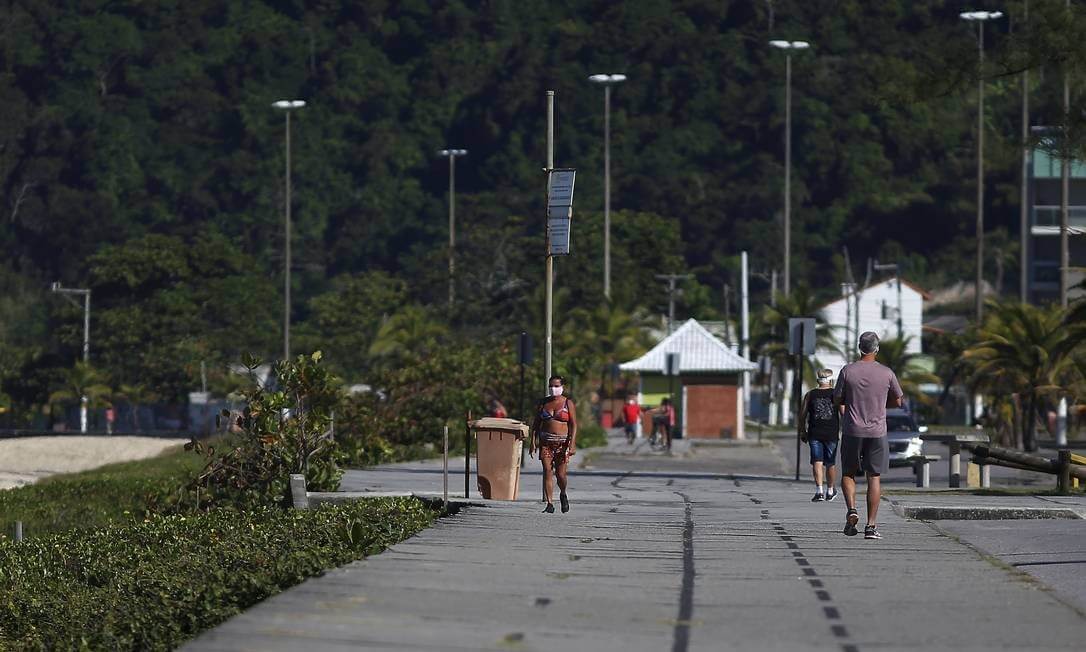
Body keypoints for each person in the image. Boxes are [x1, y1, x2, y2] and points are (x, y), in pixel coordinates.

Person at [834, 331, 904, 540]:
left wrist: (848, 405)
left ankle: (852, 509)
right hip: (877, 432)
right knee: (874, 477)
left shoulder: (848, 371)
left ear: (859, 347)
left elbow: (837, 398)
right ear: (877, 348)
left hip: (852, 430)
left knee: (848, 473)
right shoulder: (887, 373)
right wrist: (883, 404)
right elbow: (899, 401)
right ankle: (871, 526)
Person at [529, 375, 578, 513]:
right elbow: (536, 424)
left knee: (561, 475)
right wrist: (533, 441)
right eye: (551, 386)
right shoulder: (543, 403)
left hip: (562, 443)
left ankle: (563, 493)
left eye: (556, 386)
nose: (553, 389)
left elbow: (574, 425)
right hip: (546, 442)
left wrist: (572, 443)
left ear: (562, 387)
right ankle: (550, 503)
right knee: (547, 471)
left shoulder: (568, 403)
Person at [799, 369, 840, 502]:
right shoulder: (836, 394)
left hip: (814, 432)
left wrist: (802, 431)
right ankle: (830, 490)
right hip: (831, 433)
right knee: (830, 463)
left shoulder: (810, 395)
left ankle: (819, 491)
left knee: (817, 461)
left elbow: (803, 414)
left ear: (818, 381)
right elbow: (844, 412)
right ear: (831, 381)